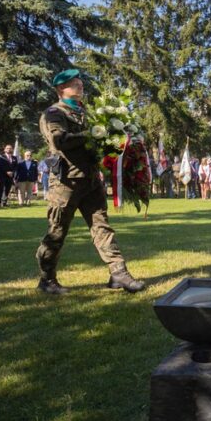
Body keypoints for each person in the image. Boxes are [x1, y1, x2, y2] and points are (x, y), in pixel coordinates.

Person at [33, 69, 145, 295]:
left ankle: (119, 273)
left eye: (80, 83)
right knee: (57, 232)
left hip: (91, 180)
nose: (80, 86)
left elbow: (98, 144)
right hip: (66, 182)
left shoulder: (86, 113)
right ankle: (47, 279)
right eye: (74, 84)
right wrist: (92, 134)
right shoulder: (54, 113)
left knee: (102, 227)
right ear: (61, 89)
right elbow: (59, 140)